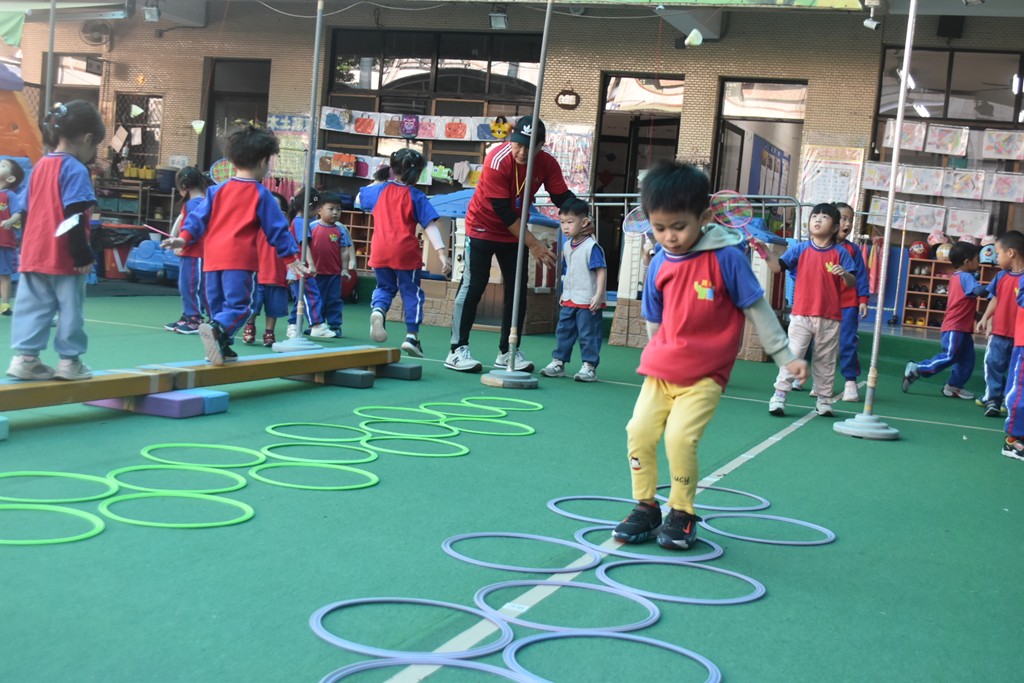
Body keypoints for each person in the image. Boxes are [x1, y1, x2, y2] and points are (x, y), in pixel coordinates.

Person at [611, 161, 807, 550]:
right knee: (638, 432)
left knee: (680, 438)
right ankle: (646, 506)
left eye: (678, 226)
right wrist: (656, 352)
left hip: (704, 375)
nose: (669, 236)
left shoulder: (726, 258)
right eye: (659, 227)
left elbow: (757, 308)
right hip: (661, 372)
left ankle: (682, 512)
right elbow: (653, 317)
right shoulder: (660, 262)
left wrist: (785, 355)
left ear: (702, 218)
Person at [162, 124, 309, 365]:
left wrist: (184, 238)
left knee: (218, 307)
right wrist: (290, 258)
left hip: (211, 260)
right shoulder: (261, 194)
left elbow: (197, 219)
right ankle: (217, 330)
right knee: (240, 307)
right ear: (263, 161)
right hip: (239, 262)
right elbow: (277, 230)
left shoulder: (216, 191)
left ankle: (222, 346)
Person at [446, 115, 576, 373]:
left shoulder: (547, 163)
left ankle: (507, 352)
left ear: (541, 146)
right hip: (482, 227)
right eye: (518, 144)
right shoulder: (496, 159)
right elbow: (503, 212)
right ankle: (456, 350)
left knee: (517, 291)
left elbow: (562, 197)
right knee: (474, 285)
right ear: (511, 139)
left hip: (514, 235)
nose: (522, 152)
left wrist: (584, 216)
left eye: (529, 146)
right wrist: (534, 244)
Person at [7, 101, 103, 381]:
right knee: (70, 308)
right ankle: (70, 362)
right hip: (63, 256)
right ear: (87, 139)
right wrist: (82, 254)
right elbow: (75, 214)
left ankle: (26, 359)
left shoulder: (40, 166)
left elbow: (26, 211)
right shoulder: (75, 169)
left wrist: (26, 246)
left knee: (32, 307)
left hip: (34, 253)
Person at [760, 203, 856, 417]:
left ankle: (824, 399)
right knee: (793, 354)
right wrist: (764, 251)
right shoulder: (800, 249)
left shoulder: (841, 253)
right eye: (815, 216)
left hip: (830, 317)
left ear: (835, 227)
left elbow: (851, 282)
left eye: (824, 217)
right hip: (801, 315)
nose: (818, 219)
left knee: (826, 360)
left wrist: (844, 274)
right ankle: (779, 394)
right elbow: (776, 267)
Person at [359, 149, 450, 358]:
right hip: (405, 253)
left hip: (380, 250)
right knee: (411, 292)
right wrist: (441, 253)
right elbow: (430, 226)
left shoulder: (379, 190)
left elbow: (359, 198)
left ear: (392, 169)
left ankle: (378, 310)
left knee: (384, 287)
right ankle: (412, 337)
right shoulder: (416, 196)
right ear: (418, 174)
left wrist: (378, 179)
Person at [902, 241, 986, 399]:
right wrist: (996, 285)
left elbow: (961, 302)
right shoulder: (966, 276)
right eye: (977, 259)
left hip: (963, 327)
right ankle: (918, 368)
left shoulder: (957, 276)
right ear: (967, 262)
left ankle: (954, 386)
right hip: (955, 327)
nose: (979, 263)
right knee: (950, 355)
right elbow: (978, 291)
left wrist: (975, 315)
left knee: (967, 359)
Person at [540, 197, 606, 382]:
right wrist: (564, 291)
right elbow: (569, 271)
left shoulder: (592, 246)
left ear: (584, 222)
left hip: (588, 300)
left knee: (588, 334)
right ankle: (558, 362)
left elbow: (601, 270)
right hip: (569, 298)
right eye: (562, 222)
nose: (565, 227)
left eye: (570, 222)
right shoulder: (567, 246)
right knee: (564, 331)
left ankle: (589, 366)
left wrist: (599, 295)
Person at [976, 232, 1024, 417]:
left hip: (1019, 337)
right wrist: (985, 318)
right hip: (999, 332)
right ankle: (993, 400)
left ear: (1010, 253)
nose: (996, 258)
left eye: (998, 253)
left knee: (1015, 371)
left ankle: (1008, 400)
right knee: (993, 364)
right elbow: (995, 298)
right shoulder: (1001, 276)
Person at [164, 166, 210, 334]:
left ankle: (195, 319)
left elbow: (195, 229)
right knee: (186, 285)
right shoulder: (199, 202)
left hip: (196, 252)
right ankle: (188, 314)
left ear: (183, 185)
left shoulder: (195, 203)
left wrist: (182, 243)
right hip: (191, 251)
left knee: (191, 286)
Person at [242, 192, 291, 347]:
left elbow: (292, 252)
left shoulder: (284, 232)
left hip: (277, 276)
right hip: (256, 275)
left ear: (283, 213)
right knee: (253, 305)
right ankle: (250, 325)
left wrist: (291, 271)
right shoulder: (254, 229)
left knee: (273, 308)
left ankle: (269, 331)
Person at [285, 189, 333, 340]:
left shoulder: (297, 221)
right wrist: (311, 264)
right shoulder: (301, 222)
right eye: (317, 207)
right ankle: (316, 325)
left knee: (301, 298)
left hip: (296, 266)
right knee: (311, 295)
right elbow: (303, 244)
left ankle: (293, 325)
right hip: (301, 266)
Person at [834, 202, 870, 402]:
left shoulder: (853, 249)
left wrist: (863, 299)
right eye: (843, 219)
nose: (847, 223)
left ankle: (850, 382)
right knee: (821, 343)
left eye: (851, 220)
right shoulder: (819, 246)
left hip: (848, 305)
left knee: (847, 342)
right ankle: (820, 381)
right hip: (823, 304)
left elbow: (861, 276)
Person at [308, 191, 354, 336]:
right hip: (315, 273)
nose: (335, 213)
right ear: (319, 210)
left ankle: (335, 325)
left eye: (338, 209)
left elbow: (344, 251)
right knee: (317, 299)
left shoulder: (340, 229)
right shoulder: (311, 227)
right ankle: (317, 325)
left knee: (334, 300)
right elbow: (305, 247)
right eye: (331, 209)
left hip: (334, 274)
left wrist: (345, 269)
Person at [0, 158, 26, 316]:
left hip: (4, 241)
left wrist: (10, 221)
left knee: (4, 273)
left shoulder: (10, 196)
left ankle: (5, 304)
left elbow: (18, 213)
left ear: (10, 178)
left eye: (2, 165)